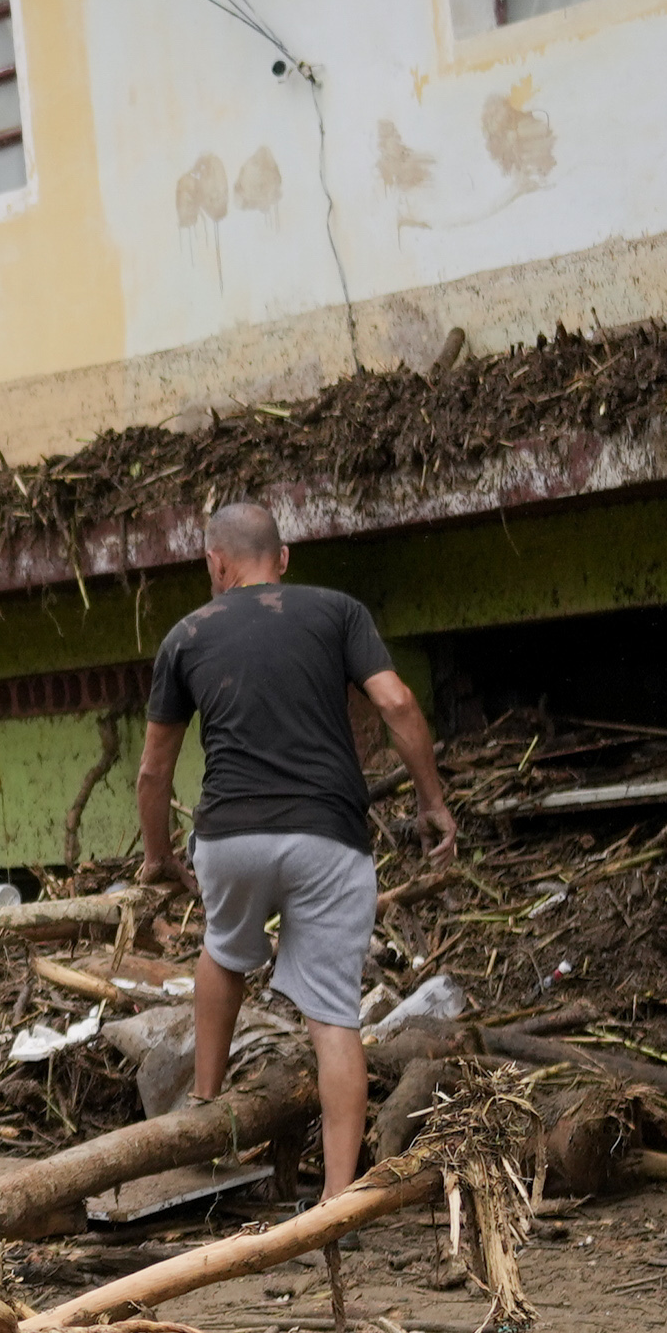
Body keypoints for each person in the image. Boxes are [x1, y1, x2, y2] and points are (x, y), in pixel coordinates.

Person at [134, 499, 460, 1201]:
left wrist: (160, 855)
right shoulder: (337, 611)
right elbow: (398, 704)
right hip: (328, 837)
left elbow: (154, 768)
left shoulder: (187, 634)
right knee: (333, 1015)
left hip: (230, 837)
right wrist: (432, 801)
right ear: (282, 559)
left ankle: (206, 1102)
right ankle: (337, 1200)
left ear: (215, 564)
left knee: (224, 947)